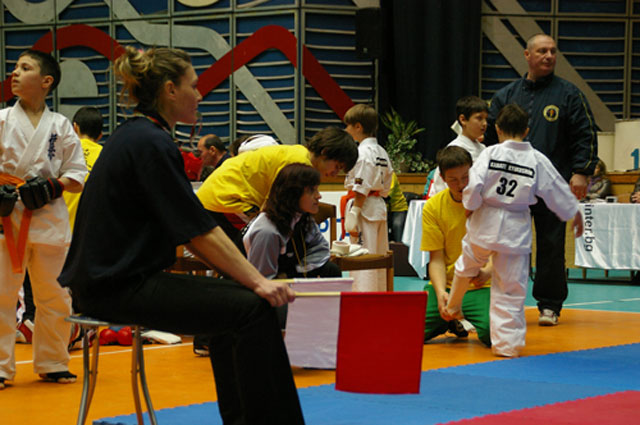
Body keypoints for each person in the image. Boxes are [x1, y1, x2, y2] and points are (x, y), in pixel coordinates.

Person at [58, 46, 305, 424]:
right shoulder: (150, 143)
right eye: (193, 85)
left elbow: (194, 229)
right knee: (254, 308)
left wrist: (249, 281)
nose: (200, 94)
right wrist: (258, 282)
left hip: (113, 281)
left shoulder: (138, 135)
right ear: (170, 90)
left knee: (237, 305)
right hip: (116, 287)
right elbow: (198, 232)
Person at [445, 104, 584, 357]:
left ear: (498, 129)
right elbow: (555, 189)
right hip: (515, 228)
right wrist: (573, 212)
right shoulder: (536, 159)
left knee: (467, 264)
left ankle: (453, 304)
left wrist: (470, 206)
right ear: (527, 130)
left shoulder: (490, 153)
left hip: (485, 221)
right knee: (509, 289)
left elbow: (473, 186)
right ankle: (506, 347)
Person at [484, 33, 597, 326]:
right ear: (527, 55)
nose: (549, 56)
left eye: (553, 51)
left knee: (551, 244)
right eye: (542, 51)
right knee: (510, 244)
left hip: (552, 183)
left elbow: (585, 134)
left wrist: (581, 171)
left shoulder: (569, 95)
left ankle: (549, 304)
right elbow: (489, 139)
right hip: (513, 187)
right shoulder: (506, 96)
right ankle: (509, 301)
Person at [0, 50, 87, 390]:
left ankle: (53, 362)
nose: (15, 73)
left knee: (55, 295)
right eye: (15, 67)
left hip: (49, 217)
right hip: (6, 216)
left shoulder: (60, 125)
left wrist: (54, 185)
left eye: (25, 68)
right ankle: (1, 367)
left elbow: (77, 174)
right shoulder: (2, 120)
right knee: (2, 294)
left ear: (46, 81)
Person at [17, 106, 104, 345]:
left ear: (74, 128)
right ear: (100, 134)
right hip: (90, 240)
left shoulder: (60, 153)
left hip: (53, 230)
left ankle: (32, 320)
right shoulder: (105, 156)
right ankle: (77, 326)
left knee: (37, 283)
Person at [197, 127, 358, 241]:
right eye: (337, 166)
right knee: (256, 247)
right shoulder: (299, 164)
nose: (335, 173)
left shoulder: (299, 155)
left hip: (222, 197)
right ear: (325, 152)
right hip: (223, 200)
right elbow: (272, 210)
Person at [421, 146, 491, 347]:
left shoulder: (489, 203)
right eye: (453, 180)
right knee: (409, 332)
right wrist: (441, 293)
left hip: (481, 285)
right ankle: (449, 322)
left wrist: (487, 272)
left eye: (465, 177)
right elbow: (436, 259)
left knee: (493, 335)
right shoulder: (433, 207)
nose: (461, 185)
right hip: (448, 285)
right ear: (442, 178)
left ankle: (461, 318)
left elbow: (502, 249)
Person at [243, 163, 340, 280]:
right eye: (311, 191)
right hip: (255, 283)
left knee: (331, 269)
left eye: (317, 189)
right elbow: (261, 280)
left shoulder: (303, 218)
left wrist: (292, 273)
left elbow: (321, 251)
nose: (318, 196)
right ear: (293, 194)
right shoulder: (267, 231)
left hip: (286, 273)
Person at [343, 104, 393, 291]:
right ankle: (379, 293)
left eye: (348, 125)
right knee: (378, 255)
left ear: (358, 127)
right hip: (378, 205)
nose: (346, 129)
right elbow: (387, 186)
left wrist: (355, 211)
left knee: (362, 255)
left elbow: (361, 187)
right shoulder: (382, 152)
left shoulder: (362, 153)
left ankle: (363, 296)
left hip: (363, 207)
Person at [427, 96, 488, 198]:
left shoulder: (484, 149)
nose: (484, 123)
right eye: (479, 118)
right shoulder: (454, 149)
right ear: (463, 119)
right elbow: (441, 187)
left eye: (486, 119)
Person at [386, 172, 409, 242]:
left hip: (399, 208)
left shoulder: (391, 174)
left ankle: (400, 247)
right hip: (385, 209)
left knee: (397, 227)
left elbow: (388, 193)